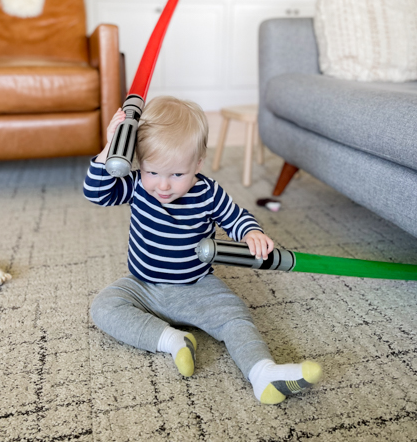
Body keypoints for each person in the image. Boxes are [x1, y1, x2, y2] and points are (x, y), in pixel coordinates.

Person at [83, 96, 322, 404]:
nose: (163, 186)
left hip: (197, 286)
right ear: (139, 162)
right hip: (143, 285)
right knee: (104, 307)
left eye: (177, 175)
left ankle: (262, 372)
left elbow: (235, 217)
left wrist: (251, 232)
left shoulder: (208, 192)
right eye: (153, 172)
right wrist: (109, 149)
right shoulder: (137, 185)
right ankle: (172, 340)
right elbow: (96, 193)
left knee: (236, 316)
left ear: (197, 164)